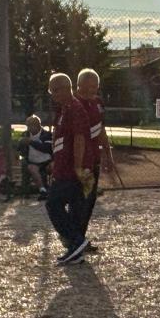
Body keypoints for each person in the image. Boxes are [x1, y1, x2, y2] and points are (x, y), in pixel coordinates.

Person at [45, 72, 94, 264]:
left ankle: (76, 240)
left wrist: (78, 167)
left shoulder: (75, 108)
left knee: (53, 203)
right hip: (62, 167)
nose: (52, 94)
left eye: (55, 90)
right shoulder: (64, 109)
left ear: (67, 88)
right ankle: (75, 249)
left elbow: (80, 138)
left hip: (70, 171)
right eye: (51, 91)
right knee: (73, 210)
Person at [75, 68, 116, 240]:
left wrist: (108, 154)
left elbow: (101, 130)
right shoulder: (73, 103)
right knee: (78, 200)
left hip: (94, 158)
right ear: (79, 85)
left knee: (89, 201)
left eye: (95, 86)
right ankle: (73, 238)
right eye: (89, 85)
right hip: (78, 160)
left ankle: (80, 238)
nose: (93, 89)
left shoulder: (98, 103)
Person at [18, 113, 53, 197]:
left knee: (54, 167)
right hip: (32, 161)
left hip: (46, 161)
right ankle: (42, 190)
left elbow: (47, 148)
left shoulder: (47, 135)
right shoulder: (25, 135)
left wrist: (31, 142)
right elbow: (20, 151)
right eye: (28, 126)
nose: (29, 128)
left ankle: (55, 189)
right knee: (31, 168)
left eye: (31, 125)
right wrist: (22, 144)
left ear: (37, 125)